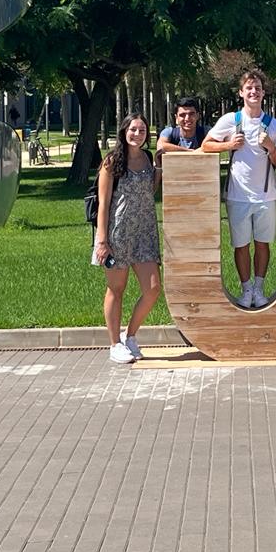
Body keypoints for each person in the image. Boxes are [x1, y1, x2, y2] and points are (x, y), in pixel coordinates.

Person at [201, 70, 276, 309]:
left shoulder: (274, 124)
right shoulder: (230, 120)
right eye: (249, 88)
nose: (254, 91)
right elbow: (206, 145)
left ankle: (259, 289)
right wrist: (229, 144)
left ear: (263, 93)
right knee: (241, 245)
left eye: (257, 87)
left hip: (266, 195)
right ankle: (246, 289)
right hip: (237, 195)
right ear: (241, 93)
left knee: (262, 243)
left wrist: (270, 147)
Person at [92, 112, 162, 364]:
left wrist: (160, 168)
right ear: (124, 131)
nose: (137, 134)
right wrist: (102, 240)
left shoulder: (147, 158)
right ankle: (114, 344)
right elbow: (103, 203)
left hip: (144, 232)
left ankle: (130, 335)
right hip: (117, 233)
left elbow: (149, 191)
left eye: (142, 130)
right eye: (133, 129)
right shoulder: (112, 161)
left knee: (153, 289)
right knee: (116, 289)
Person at [156, 96, 208, 166]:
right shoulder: (169, 132)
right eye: (182, 115)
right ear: (176, 118)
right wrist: (189, 151)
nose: (187, 118)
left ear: (197, 116)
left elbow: (216, 145)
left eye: (191, 114)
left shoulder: (206, 132)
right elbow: (161, 146)